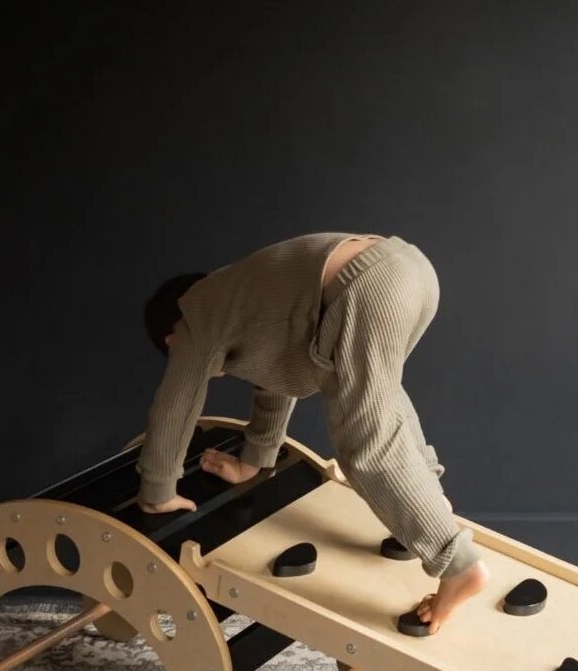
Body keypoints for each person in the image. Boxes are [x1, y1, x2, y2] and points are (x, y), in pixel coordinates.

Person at [135, 233, 490, 632]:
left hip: (366, 287)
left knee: (364, 444)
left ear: (171, 339)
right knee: (379, 401)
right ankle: (430, 505)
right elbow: (276, 381)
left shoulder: (195, 318)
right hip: (411, 268)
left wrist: (158, 492)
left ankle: (458, 566)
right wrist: (253, 463)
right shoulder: (243, 300)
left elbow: (176, 404)